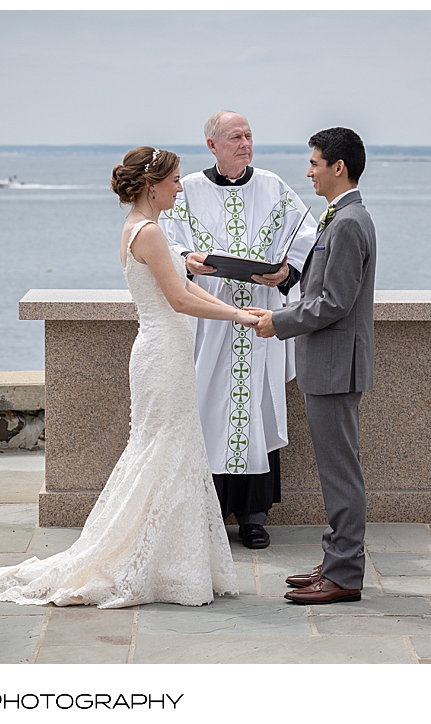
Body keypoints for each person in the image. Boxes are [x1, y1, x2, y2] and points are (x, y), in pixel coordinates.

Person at [0, 147, 254, 607]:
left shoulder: (146, 229)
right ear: (153, 185)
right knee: (163, 450)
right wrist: (239, 316)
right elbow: (177, 300)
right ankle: (149, 561)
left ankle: (171, 562)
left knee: (172, 451)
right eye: (175, 179)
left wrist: (236, 312)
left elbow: (188, 286)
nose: (181, 186)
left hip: (168, 352)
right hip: (162, 354)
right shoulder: (150, 233)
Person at [161, 110, 317, 550]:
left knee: (257, 409)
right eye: (235, 137)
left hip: (260, 320)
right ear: (212, 145)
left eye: (248, 136)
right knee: (205, 408)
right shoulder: (186, 189)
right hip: (208, 323)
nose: (245, 143)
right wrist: (187, 260)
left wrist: (285, 273)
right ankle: (206, 511)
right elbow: (166, 242)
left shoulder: (274, 187)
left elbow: (305, 240)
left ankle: (254, 515)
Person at [249, 127, 376, 605]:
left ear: (337, 168)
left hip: (335, 366)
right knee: (336, 468)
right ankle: (336, 560)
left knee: (341, 471)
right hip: (331, 364)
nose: (309, 171)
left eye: (314, 163)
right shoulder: (343, 217)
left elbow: (334, 303)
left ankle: (344, 575)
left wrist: (277, 321)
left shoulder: (347, 223)